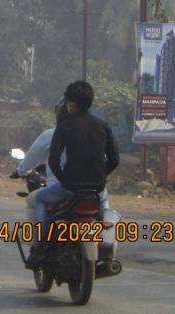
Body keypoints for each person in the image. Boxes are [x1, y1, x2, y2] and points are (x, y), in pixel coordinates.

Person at [27, 81, 119, 268]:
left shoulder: (64, 127)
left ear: (71, 104)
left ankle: (39, 246)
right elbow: (115, 159)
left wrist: (65, 180)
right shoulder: (103, 126)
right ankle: (106, 248)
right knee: (106, 212)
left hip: (70, 188)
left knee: (38, 200)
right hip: (96, 189)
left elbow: (53, 161)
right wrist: (101, 176)